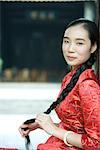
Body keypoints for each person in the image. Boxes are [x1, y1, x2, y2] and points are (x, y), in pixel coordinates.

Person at [19, 18, 100, 150]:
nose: (70, 49)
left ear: (93, 46)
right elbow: (74, 128)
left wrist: (52, 129)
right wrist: (40, 125)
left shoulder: (88, 86)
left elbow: (96, 144)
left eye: (79, 43)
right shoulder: (71, 78)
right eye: (66, 41)